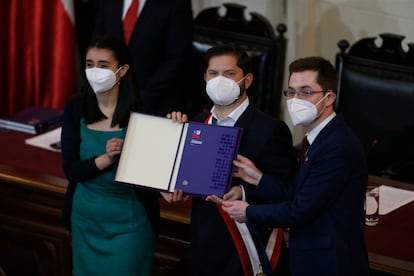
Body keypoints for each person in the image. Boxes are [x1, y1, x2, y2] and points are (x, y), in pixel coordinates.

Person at [222, 56, 370, 275]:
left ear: (329, 98)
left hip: (331, 264)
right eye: (291, 92)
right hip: (313, 258)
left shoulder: (337, 145)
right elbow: (300, 195)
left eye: (306, 92)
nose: (295, 99)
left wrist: (249, 212)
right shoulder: (315, 138)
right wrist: (258, 178)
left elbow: (299, 211)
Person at [166, 44, 297, 275]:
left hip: (247, 247)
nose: (220, 80)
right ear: (205, 77)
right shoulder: (195, 123)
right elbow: (178, 178)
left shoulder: (270, 129)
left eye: (229, 73)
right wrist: (169, 133)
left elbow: (288, 194)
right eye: (213, 73)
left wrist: (244, 192)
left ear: (247, 79)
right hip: (204, 244)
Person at [61, 35, 157, 275]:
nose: (94, 71)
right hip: (86, 220)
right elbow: (71, 170)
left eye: (103, 65)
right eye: (89, 64)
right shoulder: (76, 107)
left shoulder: (141, 111)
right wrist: (106, 158)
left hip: (129, 224)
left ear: (122, 70)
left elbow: (152, 176)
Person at [93, 0, 193, 116]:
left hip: (156, 107)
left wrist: (141, 100)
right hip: (109, 103)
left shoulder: (176, 3)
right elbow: (97, 48)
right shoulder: (109, 3)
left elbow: (177, 57)